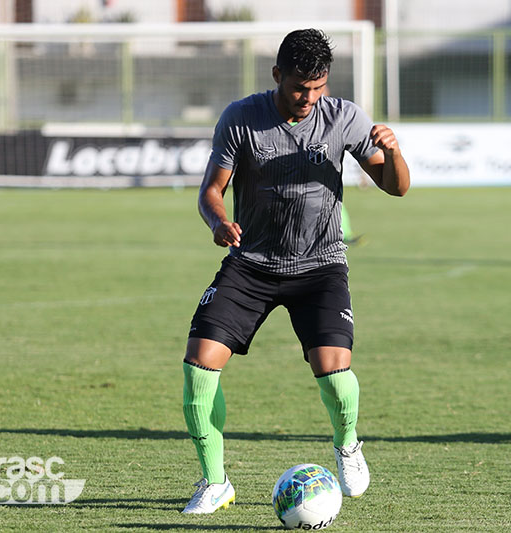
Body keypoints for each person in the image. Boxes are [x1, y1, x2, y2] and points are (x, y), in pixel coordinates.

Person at [180, 28, 410, 513]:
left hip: (321, 265)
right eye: (298, 88)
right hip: (252, 265)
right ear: (277, 76)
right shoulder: (242, 118)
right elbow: (210, 191)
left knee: (332, 371)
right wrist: (219, 222)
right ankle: (215, 482)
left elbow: (396, 187)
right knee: (200, 363)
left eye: (318, 87)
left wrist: (393, 152)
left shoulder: (342, 117)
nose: (309, 98)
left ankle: (347, 445)